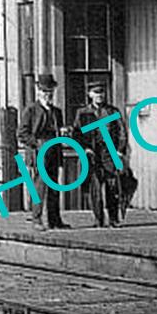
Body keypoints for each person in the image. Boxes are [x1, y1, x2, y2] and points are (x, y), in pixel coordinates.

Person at [17, 73, 71, 231]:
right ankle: (37, 219)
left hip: (54, 152)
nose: (48, 95)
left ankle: (55, 220)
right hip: (39, 153)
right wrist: (37, 143)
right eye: (45, 92)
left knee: (54, 187)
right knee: (39, 187)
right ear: (38, 91)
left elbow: (57, 131)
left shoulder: (56, 112)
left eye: (50, 92)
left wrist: (63, 131)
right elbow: (22, 134)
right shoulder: (31, 110)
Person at [73, 81, 127, 228]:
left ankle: (113, 219)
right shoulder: (83, 113)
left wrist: (120, 151)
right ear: (90, 95)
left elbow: (122, 132)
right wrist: (85, 148)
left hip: (109, 152)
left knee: (112, 186)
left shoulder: (113, 112)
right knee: (95, 188)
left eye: (101, 92)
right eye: (96, 93)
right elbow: (77, 134)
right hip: (92, 153)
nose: (99, 96)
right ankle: (98, 219)